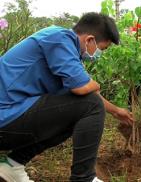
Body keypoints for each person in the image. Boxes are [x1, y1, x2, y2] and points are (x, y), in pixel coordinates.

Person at [0, 13, 133, 182]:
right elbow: (83, 89)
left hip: (11, 115)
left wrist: (115, 111)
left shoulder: (64, 48)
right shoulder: (59, 38)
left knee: (78, 109)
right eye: (102, 49)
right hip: (5, 116)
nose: (100, 54)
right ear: (90, 40)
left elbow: (82, 92)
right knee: (90, 105)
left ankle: (12, 165)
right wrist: (95, 84)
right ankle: (84, 178)